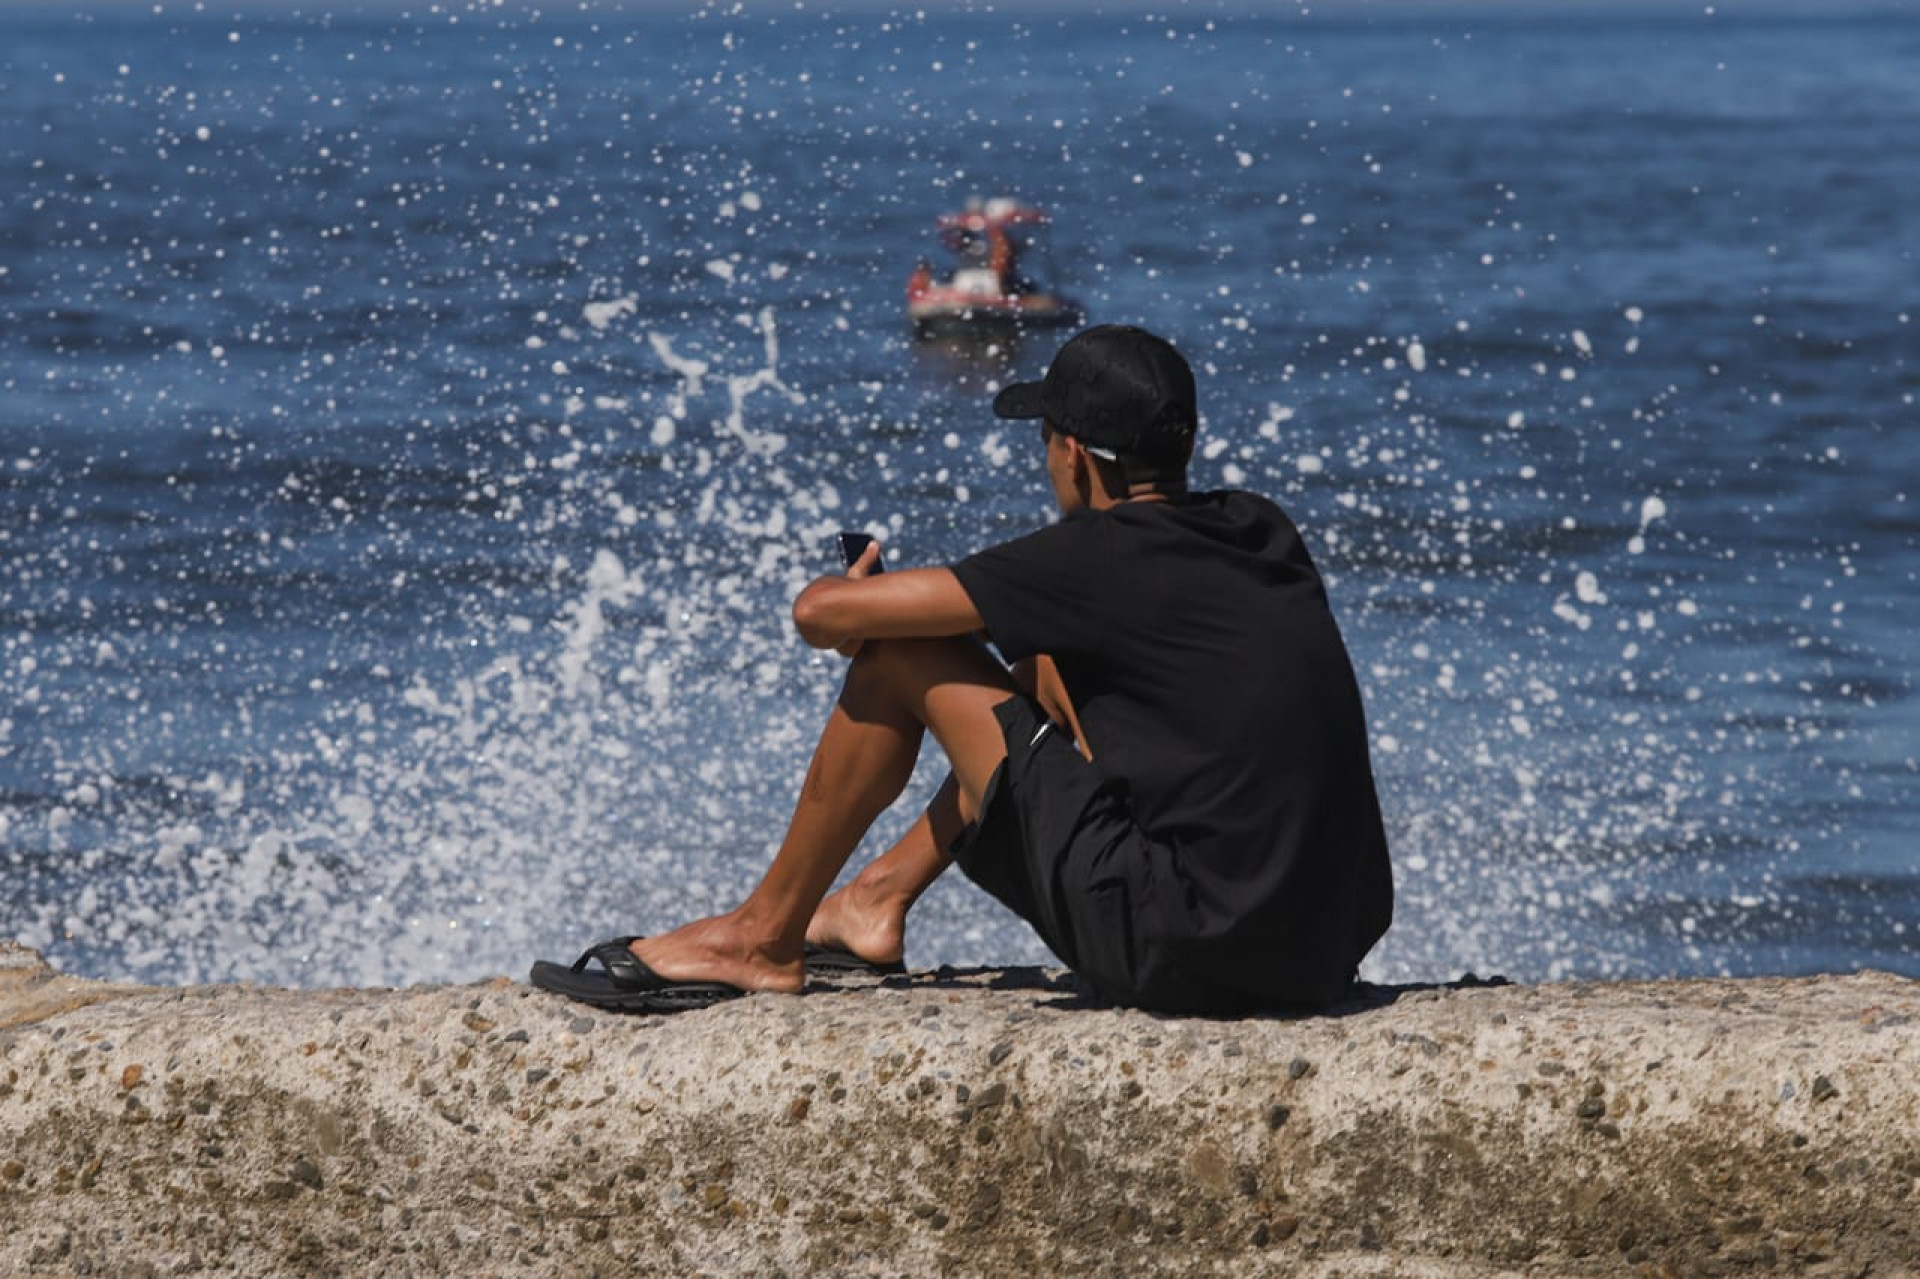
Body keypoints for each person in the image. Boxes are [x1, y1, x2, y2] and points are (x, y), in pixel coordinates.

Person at [531, 324, 1393, 1014]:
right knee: (1044, 668)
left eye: (1047, 439)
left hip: (1186, 953)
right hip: (1320, 946)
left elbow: (818, 616)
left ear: (1077, 457)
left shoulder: (1092, 555)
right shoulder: (1261, 526)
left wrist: (850, 589)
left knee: (904, 653)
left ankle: (759, 935)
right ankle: (876, 897)